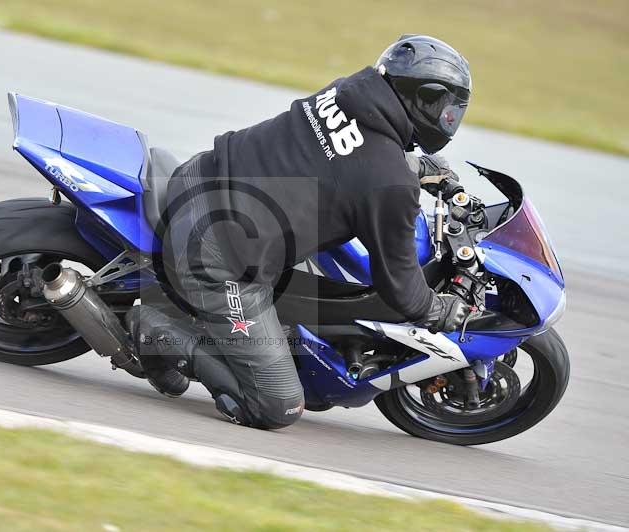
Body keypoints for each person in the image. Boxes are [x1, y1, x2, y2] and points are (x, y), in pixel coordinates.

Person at [126, 35, 473, 429]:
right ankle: (158, 331)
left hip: (199, 176)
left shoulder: (349, 92)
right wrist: (437, 308)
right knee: (279, 407)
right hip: (214, 257)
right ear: (425, 100)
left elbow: (350, 157)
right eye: (449, 108)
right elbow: (400, 287)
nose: (451, 118)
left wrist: (419, 169)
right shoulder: (388, 182)